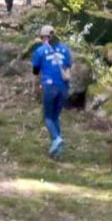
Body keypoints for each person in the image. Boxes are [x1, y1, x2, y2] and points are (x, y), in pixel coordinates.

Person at [31, 25, 72, 159]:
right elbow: (68, 68)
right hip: (63, 88)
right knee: (55, 117)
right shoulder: (65, 50)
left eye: (42, 37)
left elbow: (36, 72)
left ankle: (56, 139)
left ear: (45, 37)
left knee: (47, 117)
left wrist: (36, 87)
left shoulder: (40, 51)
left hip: (49, 87)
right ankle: (58, 150)